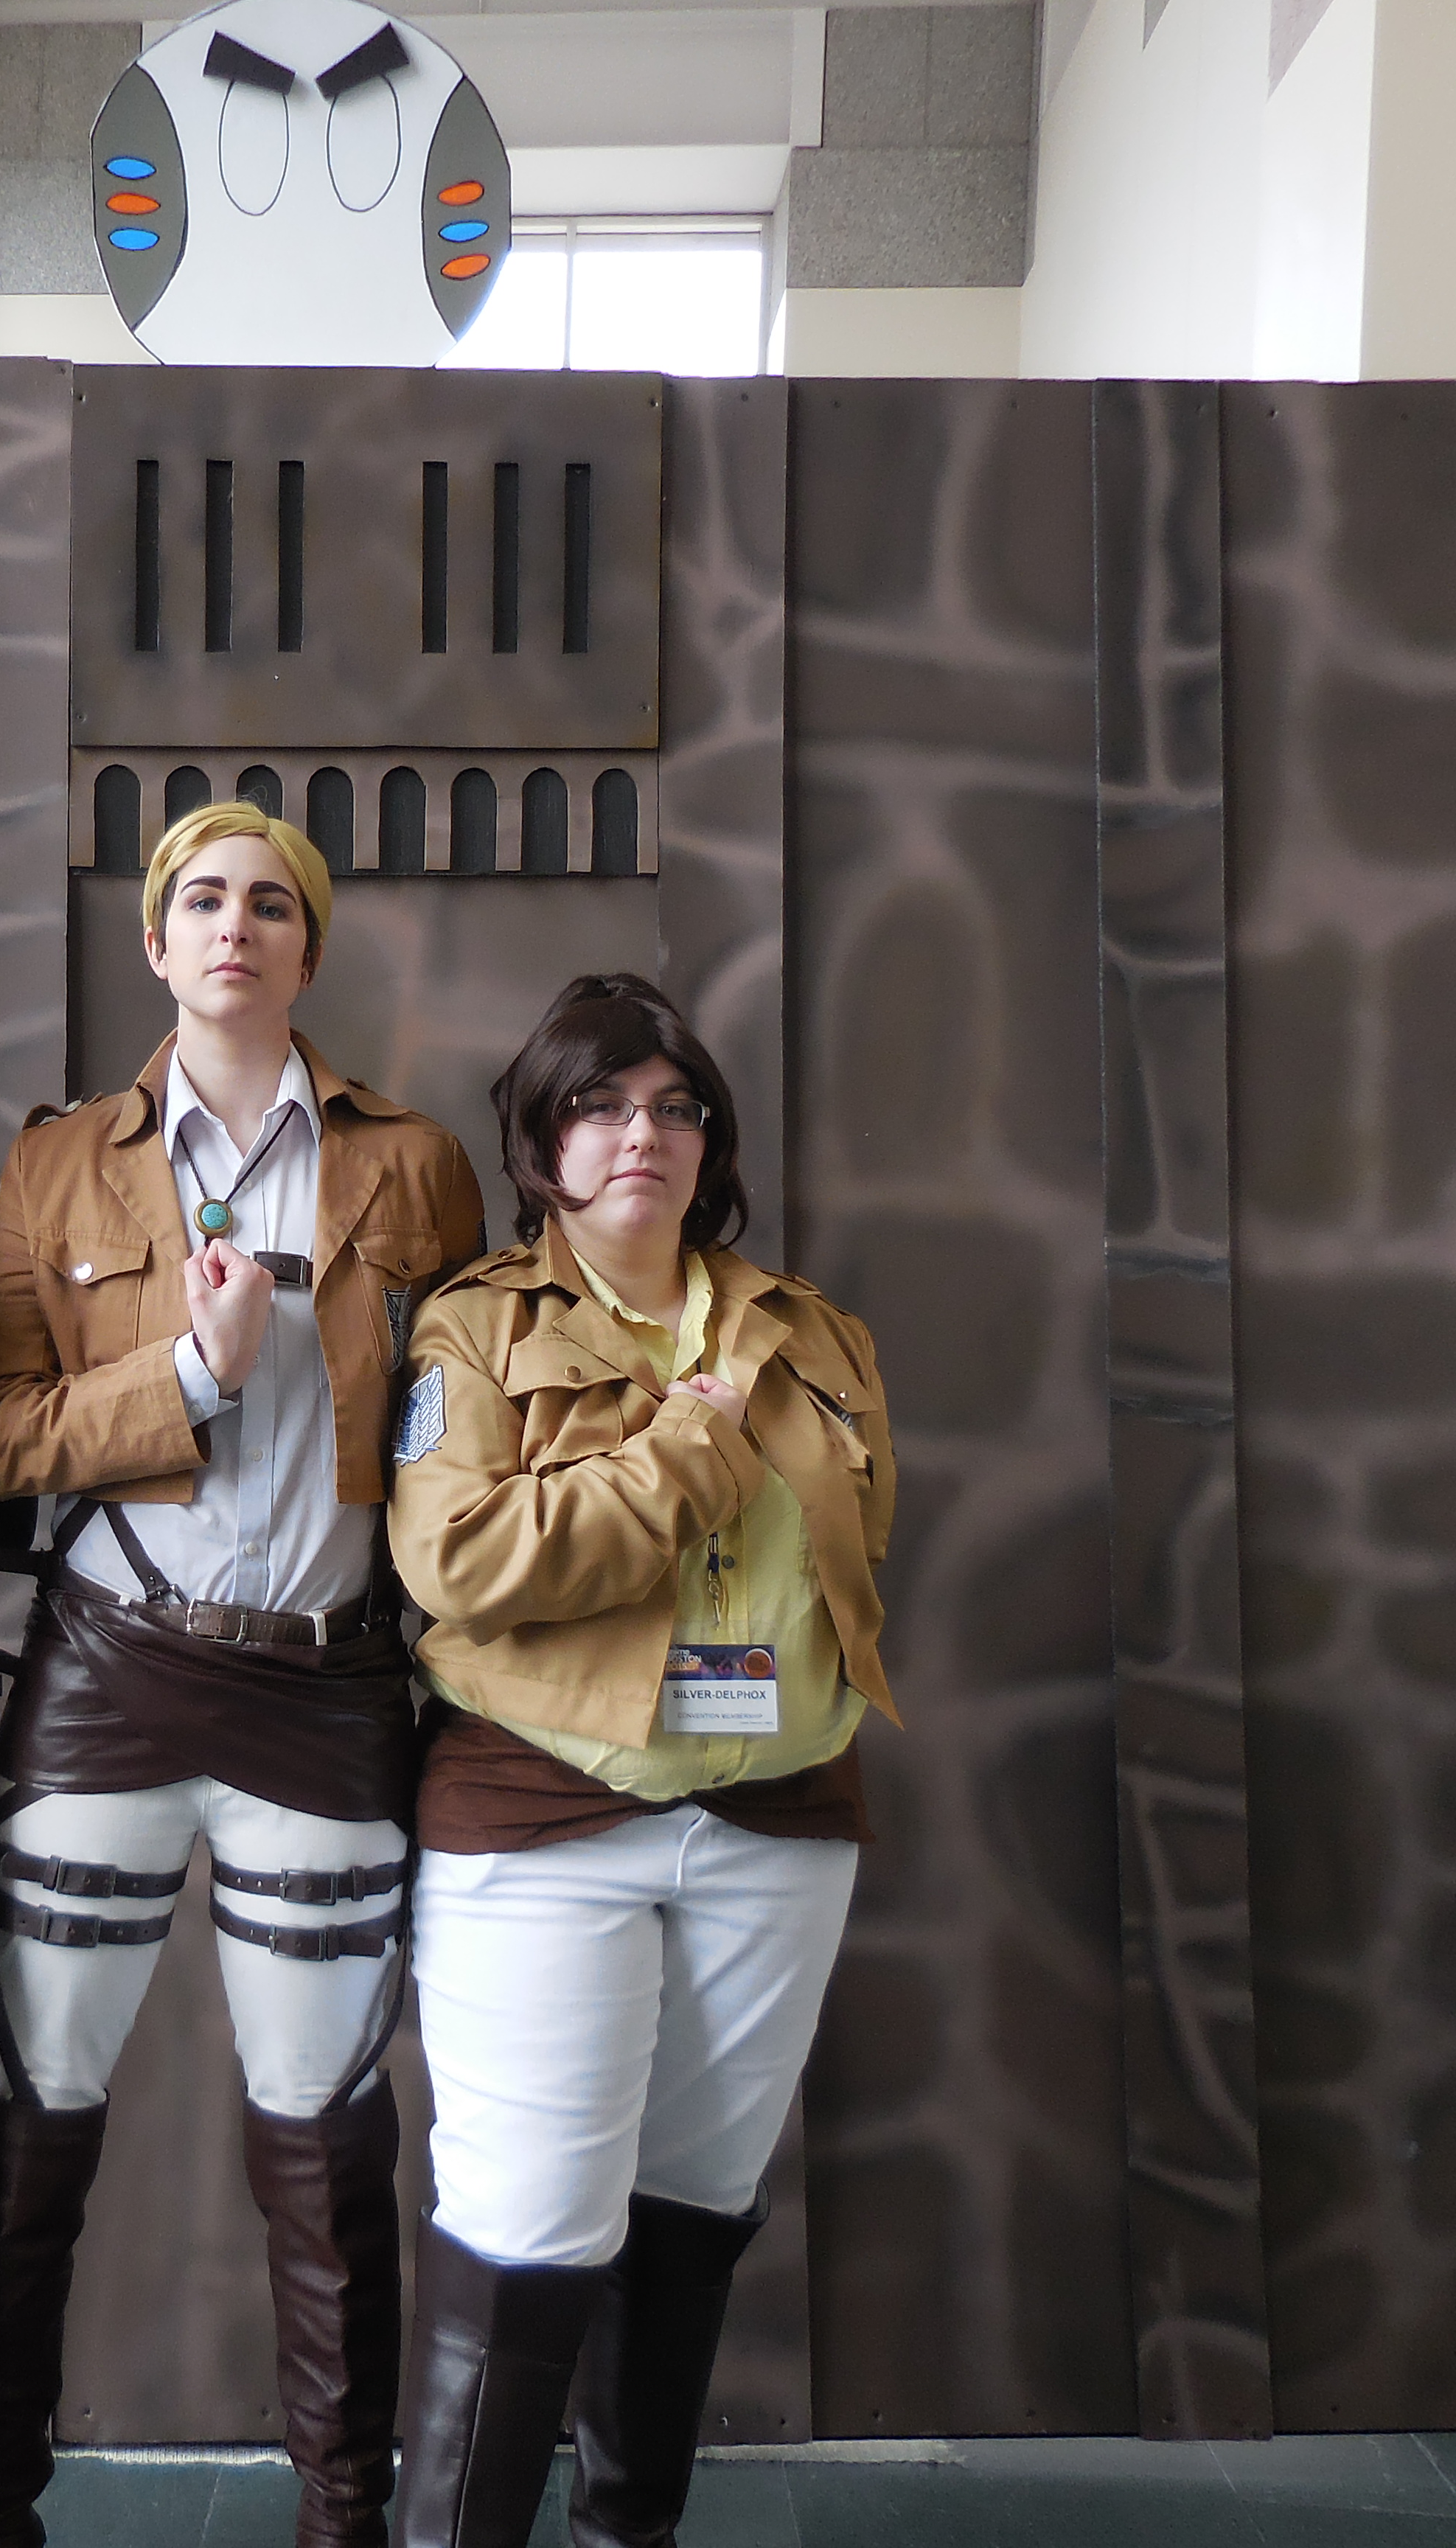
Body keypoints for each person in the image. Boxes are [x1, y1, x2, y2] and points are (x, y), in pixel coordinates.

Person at [0, 802, 487, 2548]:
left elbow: (460, 1434)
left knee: (327, 2144)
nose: (235, 925)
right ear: (156, 942)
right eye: (202, 899)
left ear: (308, 949)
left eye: (270, 903)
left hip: (329, 1693)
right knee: (31, 2122)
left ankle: (346, 2516)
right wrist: (188, 1375)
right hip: (108, 1677)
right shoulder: (59, 1164)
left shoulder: (413, 1165)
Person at [385, 973, 901, 2548]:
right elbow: (461, 1561)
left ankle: (629, 2532)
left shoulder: (810, 1330)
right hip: (542, 1814)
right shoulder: (475, 1326)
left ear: (710, 1143)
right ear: (542, 1141)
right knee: (529, 2221)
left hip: (783, 1816)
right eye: (600, 1105)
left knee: (691, 2212)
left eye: (676, 1109)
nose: (642, 1135)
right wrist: (684, 1450)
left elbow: (857, 1546)